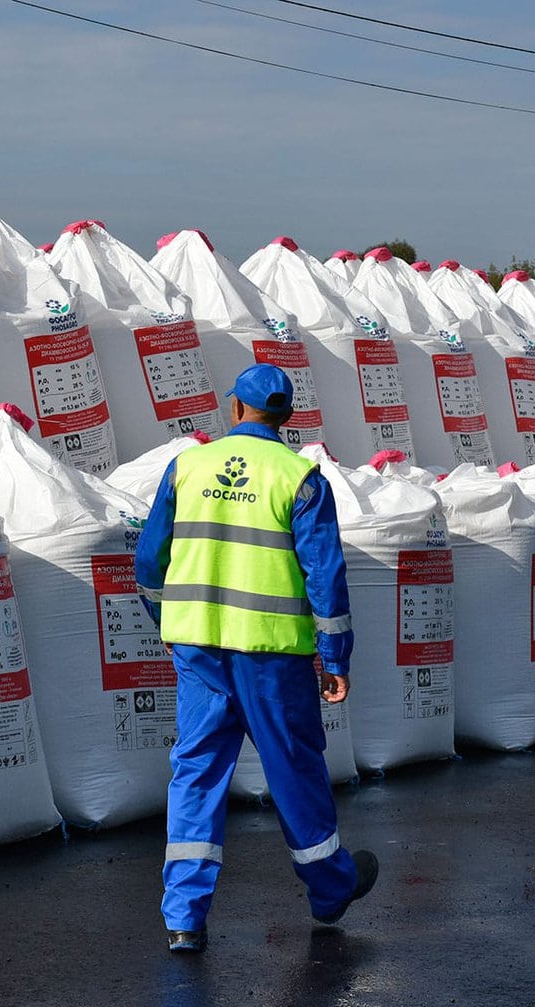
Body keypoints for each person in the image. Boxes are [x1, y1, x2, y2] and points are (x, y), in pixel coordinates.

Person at [135, 363, 378, 953]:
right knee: (294, 771)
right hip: (273, 657)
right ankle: (331, 889)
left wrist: (166, 622)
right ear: (286, 417)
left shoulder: (187, 467)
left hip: (199, 650)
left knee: (196, 773)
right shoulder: (301, 479)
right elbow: (325, 578)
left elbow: (148, 559)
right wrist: (335, 658)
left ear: (236, 408)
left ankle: (184, 918)